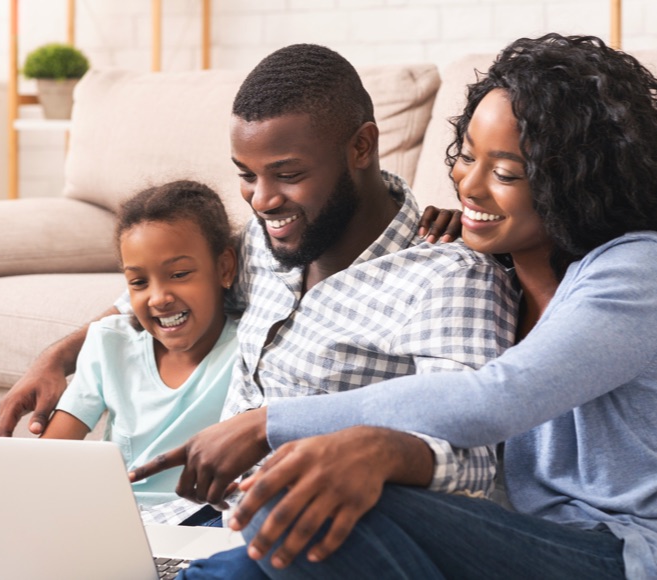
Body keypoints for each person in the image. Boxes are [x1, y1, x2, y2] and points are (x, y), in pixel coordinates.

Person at [178, 34, 657, 579]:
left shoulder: (636, 270)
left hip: (618, 552)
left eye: (504, 173)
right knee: (313, 519)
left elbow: (494, 399)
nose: (468, 187)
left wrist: (271, 424)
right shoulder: (493, 272)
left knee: (335, 497)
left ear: (578, 179)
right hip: (498, 537)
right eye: (468, 156)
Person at [0, 44, 515, 509]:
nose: (262, 200)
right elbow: (162, 293)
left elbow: (472, 465)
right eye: (247, 175)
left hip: (304, 538)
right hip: (191, 518)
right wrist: (58, 357)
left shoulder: (449, 277)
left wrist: (352, 450)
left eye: (288, 175)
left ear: (362, 148)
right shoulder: (263, 244)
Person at [42, 180, 238, 518]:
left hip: (209, 516)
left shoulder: (247, 346)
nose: (159, 297)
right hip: (119, 518)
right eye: (138, 282)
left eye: (179, 274)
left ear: (224, 268)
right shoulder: (109, 342)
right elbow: (47, 459)